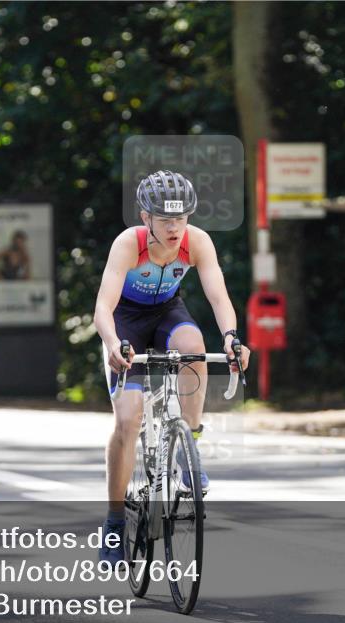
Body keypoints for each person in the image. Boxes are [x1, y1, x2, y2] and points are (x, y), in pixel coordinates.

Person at [93, 170, 250, 567]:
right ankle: (113, 524)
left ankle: (189, 444)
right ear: (145, 218)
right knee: (128, 421)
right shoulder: (129, 244)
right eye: (165, 219)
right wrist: (113, 345)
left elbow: (218, 296)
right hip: (126, 322)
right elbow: (103, 308)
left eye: (181, 218)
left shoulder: (197, 242)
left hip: (166, 315)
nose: (174, 227)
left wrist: (231, 338)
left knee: (194, 347)